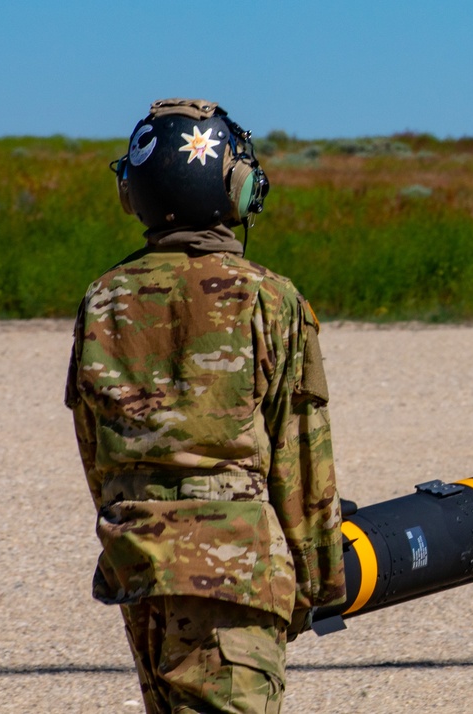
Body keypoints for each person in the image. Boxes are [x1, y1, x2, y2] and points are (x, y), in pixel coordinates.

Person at [65, 98, 345, 713]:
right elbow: (301, 460)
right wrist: (317, 584)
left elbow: (97, 453)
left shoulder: (102, 300)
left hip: (140, 567)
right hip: (236, 577)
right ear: (237, 189)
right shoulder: (268, 298)